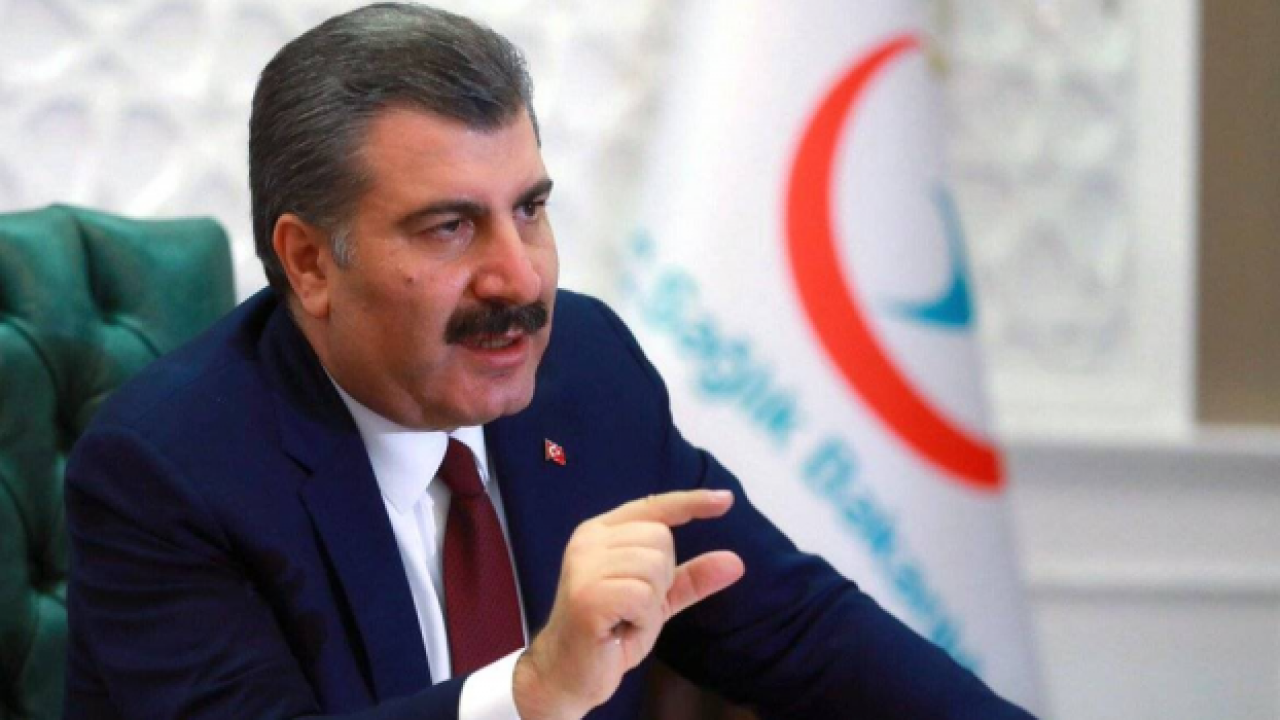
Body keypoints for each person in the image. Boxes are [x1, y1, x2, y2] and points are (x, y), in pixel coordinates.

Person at [63, 4, 1036, 719]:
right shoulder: (170, 469)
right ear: (311, 262)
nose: (519, 276)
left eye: (529, 208)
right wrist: (530, 693)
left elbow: (794, 627)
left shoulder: (586, 372)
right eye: (450, 227)